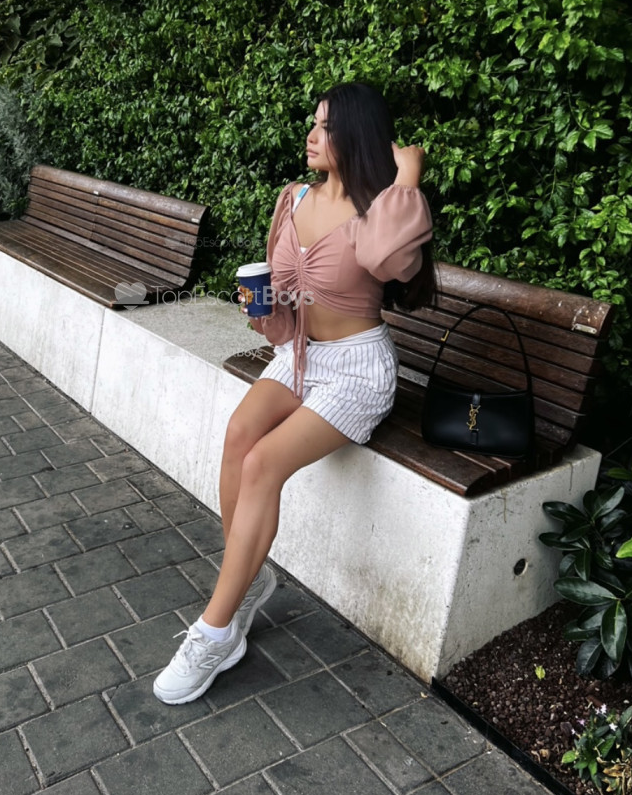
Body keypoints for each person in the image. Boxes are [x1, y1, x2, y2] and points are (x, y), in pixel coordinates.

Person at [153, 83, 433, 704]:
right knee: (238, 435)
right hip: (299, 355)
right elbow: (284, 305)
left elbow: (388, 259)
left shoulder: (380, 210)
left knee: (263, 463)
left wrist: (406, 176)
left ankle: (214, 633)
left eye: (325, 126)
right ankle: (247, 583)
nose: (311, 134)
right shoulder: (294, 199)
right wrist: (265, 313)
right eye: (313, 122)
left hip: (356, 370)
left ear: (355, 135)